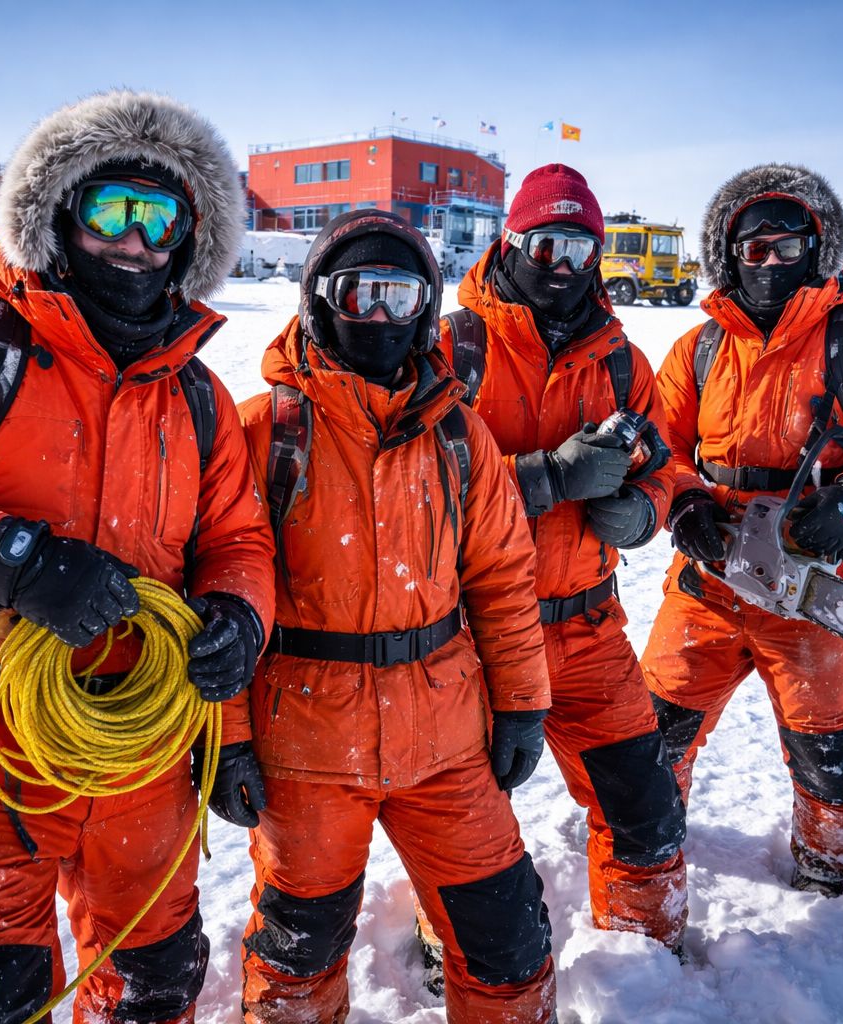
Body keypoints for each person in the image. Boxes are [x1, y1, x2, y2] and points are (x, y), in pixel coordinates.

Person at [0, 90, 276, 1022]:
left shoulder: (197, 398)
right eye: (114, 211)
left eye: (161, 218)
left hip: (140, 755)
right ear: (61, 214)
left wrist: (237, 615)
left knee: (154, 986)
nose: (136, 241)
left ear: (188, 241)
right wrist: (11, 560)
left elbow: (237, 540)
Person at [236, 209, 557, 1024]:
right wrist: (228, 736)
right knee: (297, 956)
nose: (380, 316)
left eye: (400, 294)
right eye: (357, 293)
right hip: (304, 749)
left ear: (427, 306)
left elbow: (502, 578)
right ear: (317, 300)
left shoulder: (459, 436)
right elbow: (220, 601)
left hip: (447, 743)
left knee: (508, 935)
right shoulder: (263, 432)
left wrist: (522, 702)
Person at [641, 162, 843, 897]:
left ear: (815, 249)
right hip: (710, 579)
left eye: (784, 247)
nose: (767, 264)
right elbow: (657, 447)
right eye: (752, 250)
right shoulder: (698, 349)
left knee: (829, 751)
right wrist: (685, 503)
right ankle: (645, 846)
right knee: (651, 733)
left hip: (819, 588)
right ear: (729, 257)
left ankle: (835, 877)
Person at [436, 164, 689, 951]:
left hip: (588, 630)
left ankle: (646, 950)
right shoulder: (449, 346)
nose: (563, 267)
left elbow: (669, 464)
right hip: (464, 636)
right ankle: (455, 957)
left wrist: (643, 508)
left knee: (642, 804)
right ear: (510, 242)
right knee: (464, 832)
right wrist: (545, 478)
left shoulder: (621, 361)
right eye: (546, 244)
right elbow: (402, 491)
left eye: (582, 250)